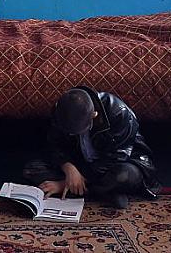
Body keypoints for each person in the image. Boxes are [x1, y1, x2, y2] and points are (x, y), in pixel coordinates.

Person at [23, 86, 161, 209]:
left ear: (94, 115)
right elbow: (55, 145)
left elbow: (115, 159)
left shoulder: (119, 113)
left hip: (118, 164)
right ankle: (104, 193)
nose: (72, 135)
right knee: (31, 169)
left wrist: (63, 183)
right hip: (82, 163)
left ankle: (73, 189)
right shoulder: (62, 111)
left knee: (124, 176)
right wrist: (68, 167)